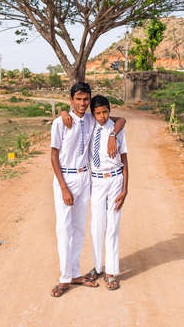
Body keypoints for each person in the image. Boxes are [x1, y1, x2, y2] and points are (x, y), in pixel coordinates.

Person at [50, 82, 125, 297]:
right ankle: (65, 278)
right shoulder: (60, 123)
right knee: (64, 228)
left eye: (85, 99)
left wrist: (112, 136)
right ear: (71, 100)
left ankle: (75, 273)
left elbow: (121, 120)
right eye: (78, 99)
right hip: (66, 178)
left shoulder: (92, 119)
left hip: (85, 178)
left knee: (79, 229)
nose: (82, 103)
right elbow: (53, 156)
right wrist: (63, 186)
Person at [84, 95, 128, 290]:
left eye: (105, 112)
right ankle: (97, 266)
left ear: (110, 111)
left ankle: (111, 271)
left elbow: (125, 158)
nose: (102, 116)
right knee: (96, 226)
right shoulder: (89, 127)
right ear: (93, 114)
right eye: (98, 113)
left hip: (116, 179)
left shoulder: (117, 129)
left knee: (113, 227)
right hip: (97, 181)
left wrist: (125, 188)